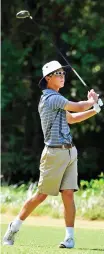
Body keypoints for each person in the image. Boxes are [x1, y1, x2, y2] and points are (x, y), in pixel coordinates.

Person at [3, 60, 101, 248]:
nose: (62, 76)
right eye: (58, 74)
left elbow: (72, 118)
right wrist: (92, 101)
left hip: (70, 152)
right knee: (41, 195)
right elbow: (78, 107)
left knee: (68, 195)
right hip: (54, 154)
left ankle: (69, 238)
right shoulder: (50, 98)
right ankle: (13, 227)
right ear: (48, 78)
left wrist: (94, 109)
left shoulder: (57, 100)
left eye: (63, 74)